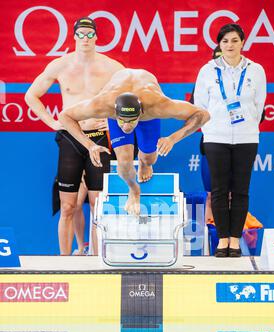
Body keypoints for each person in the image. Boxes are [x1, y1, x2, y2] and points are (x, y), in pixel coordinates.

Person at [25, 16, 124, 255]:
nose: (86, 39)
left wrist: (116, 122)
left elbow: (135, 99)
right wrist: (53, 123)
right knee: (68, 206)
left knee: (97, 205)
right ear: (74, 37)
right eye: (81, 34)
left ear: (97, 37)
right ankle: (64, 261)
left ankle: (98, 260)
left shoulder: (112, 67)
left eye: (90, 34)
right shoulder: (60, 65)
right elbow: (31, 96)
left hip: (99, 137)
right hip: (70, 137)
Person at [59, 68, 210, 216]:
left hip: (148, 106)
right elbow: (65, 116)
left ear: (140, 113)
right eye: (122, 120)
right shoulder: (103, 105)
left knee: (149, 158)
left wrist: (173, 138)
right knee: (124, 161)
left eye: (131, 120)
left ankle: (145, 164)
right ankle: (134, 190)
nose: (126, 127)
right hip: (116, 102)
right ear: (114, 113)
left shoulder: (158, 106)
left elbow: (203, 115)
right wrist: (89, 145)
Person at [194, 24, 266, 257]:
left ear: (242, 42)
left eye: (234, 40)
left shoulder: (256, 70)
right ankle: (222, 240)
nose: (230, 45)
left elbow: (259, 105)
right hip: (215, 137)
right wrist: (212, 128)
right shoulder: (207, 71)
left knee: (241, 190)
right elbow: (200, 105)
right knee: (219, 190)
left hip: (246, 137)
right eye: (225, 41)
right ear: (219, 44)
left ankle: (235, 241)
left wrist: (247, 126)